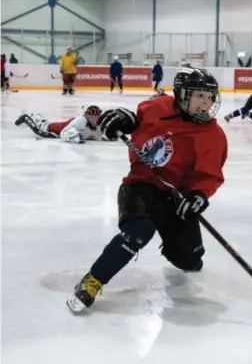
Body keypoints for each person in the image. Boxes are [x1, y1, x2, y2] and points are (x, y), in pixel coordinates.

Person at [66, 68, 228, 313]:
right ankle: (93, 280)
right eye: (199, 96)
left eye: (210, 97)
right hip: (142, 185)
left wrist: (199, 195)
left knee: (190, 262)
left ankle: (182, 249)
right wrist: (124, 119)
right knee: (139, 230)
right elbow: (134, 122)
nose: (206, 103)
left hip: (177, 198)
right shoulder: (157, 108)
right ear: (182, 94)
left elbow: (209, 176)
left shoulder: (213, 135)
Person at [14, 106, 103, 143]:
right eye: (92, 117)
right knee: (39, 129)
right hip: (52, 130)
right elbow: (64, 133)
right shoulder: (81, 121)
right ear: (87, 116)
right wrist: (76, 138)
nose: (95, 119)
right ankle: (26, 116)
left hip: (58, 128)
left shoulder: (96, 126)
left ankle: (37, 117)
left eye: (97, 117)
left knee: (43, 122)